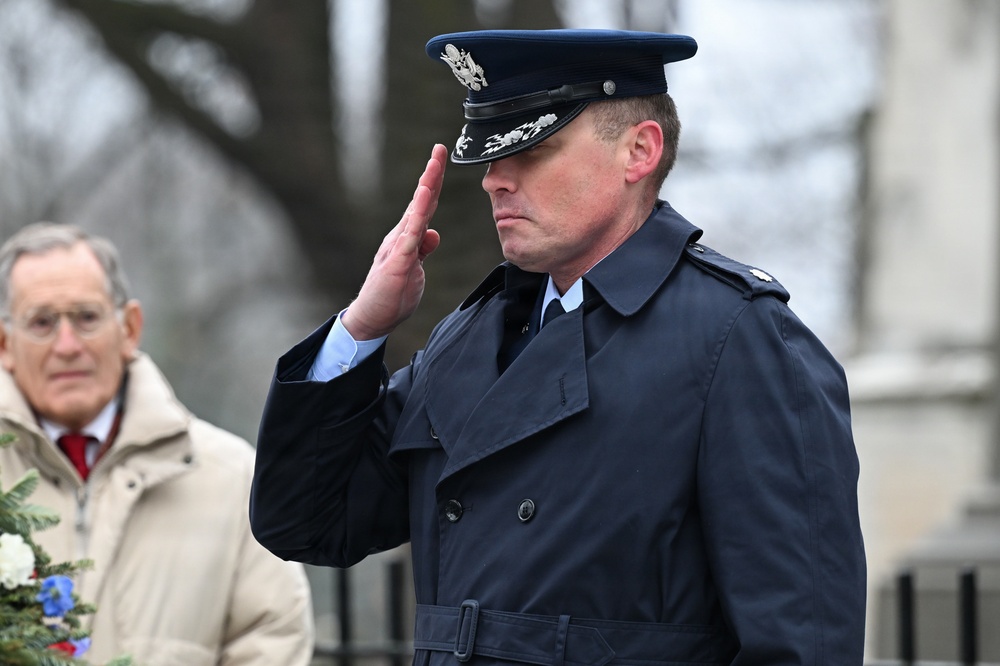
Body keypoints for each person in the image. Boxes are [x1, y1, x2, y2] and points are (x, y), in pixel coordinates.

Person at [250, 29, 866, 665]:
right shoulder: (469, 338)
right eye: (491, 157)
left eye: (532, 150)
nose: (495, 180)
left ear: (639, 151)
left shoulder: (739, 337)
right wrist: (361, 328)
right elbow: (305, 521)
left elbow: (801, 644)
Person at [0, 223, 314, 665]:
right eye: (41, 323)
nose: (66, 345)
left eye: (86, 318)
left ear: (129, 328)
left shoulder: (231, 478)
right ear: (5, 344)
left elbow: (273, 639)